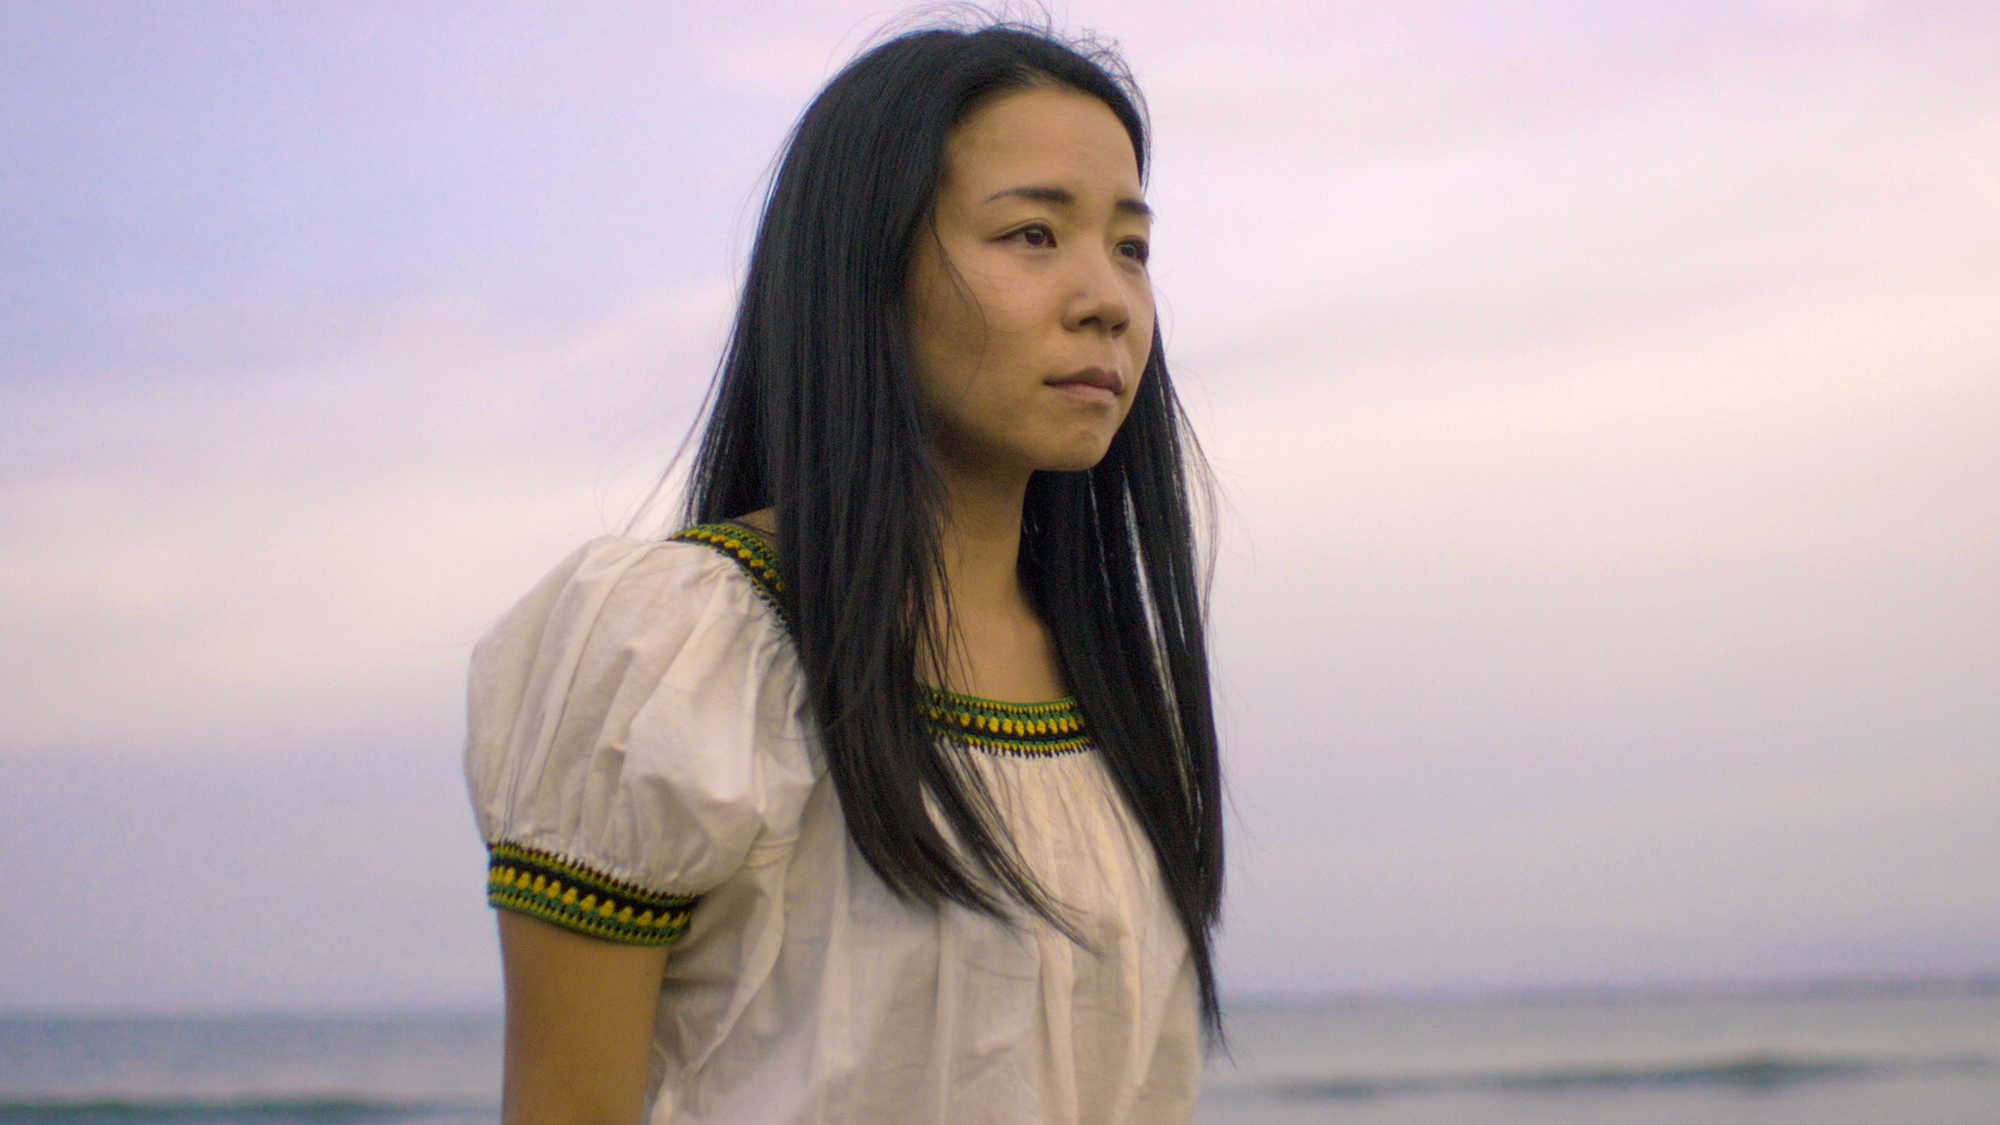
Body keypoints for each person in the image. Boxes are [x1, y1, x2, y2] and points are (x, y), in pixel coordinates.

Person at [464, 16, 1223, 1123]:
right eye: (1030, 236)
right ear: (867, 268)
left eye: (1130, 247)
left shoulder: (1120, 683)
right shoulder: (681, 653)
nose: (1106, 298)